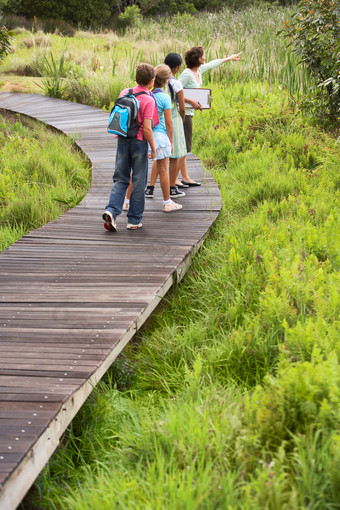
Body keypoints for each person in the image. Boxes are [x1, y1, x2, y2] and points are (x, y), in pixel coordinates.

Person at [102, 63, 156, 231]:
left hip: (122, 140)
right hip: (139, 143)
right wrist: (153, 148)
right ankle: (134, 220)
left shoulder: (125, 92)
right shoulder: (149, 99)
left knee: (121, 178)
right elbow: (147, 128)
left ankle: (111, 211)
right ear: (151, 81)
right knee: (139, 181)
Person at [178, 46, 241, 186]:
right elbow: (175, 91)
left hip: (189, 113)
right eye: (203, 55)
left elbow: (213, 63)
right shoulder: (187, 74)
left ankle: (183, 177)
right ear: (198, 58)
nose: (205, 57)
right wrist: (190, 101)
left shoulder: (198, 71)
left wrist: (230, 58)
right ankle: (178, 178)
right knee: (184, 146)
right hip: (183, 114)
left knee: (184, 146)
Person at [145, 53, 187, 200]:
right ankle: (171, 188)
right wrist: (182, 122)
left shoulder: (149, 93)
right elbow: (182, 108)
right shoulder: (174, 86)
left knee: (159, 157)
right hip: (170, 121)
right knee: (175, 155)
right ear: (175, 68)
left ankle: (150, 187)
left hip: (152, 127)